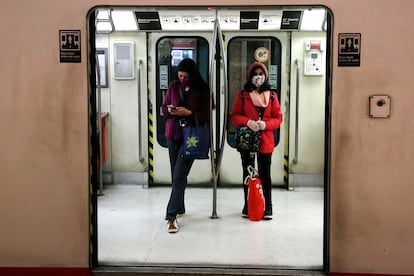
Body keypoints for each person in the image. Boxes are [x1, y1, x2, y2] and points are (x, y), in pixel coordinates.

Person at [161, 58, 210, 233]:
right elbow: (163, 107)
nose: (182, 79)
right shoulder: (173, 86)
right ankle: (180, 206)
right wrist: (170, 110)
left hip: (190, 137)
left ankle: (171, 216)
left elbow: (206, 114)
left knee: (180, 175)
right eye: (180, 75)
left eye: (186, 76)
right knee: (176, 176)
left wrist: (188, 112)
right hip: (172, 134)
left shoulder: (202, 89)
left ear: (193, 76)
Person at [230, 61, 283, 220]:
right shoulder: (243, 95)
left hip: (265, 141)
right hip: (248, 141)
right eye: (255, 74)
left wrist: (265, 124)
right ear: (250, 77)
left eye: (261, 74)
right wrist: (247, 122)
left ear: (265, 76)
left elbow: (278, 118)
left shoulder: (272, 96)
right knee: (248, 173)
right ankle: (248, 204)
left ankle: (268, 206)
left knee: (265, 175)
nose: (258, 77)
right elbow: (234, 116)